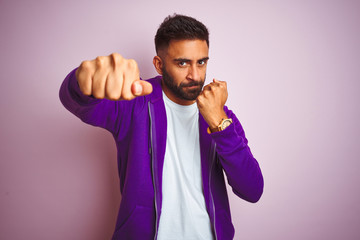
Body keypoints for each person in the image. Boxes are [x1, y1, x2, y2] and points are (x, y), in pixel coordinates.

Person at [59, 14, 263, 240]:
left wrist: (219, 124)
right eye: (182, 63)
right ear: (159, 64)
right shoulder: (134, 103)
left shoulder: (221, 117)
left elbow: (252, 190)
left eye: (201, 62)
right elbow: (77, 102)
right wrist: (82, 80)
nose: (195, 75)